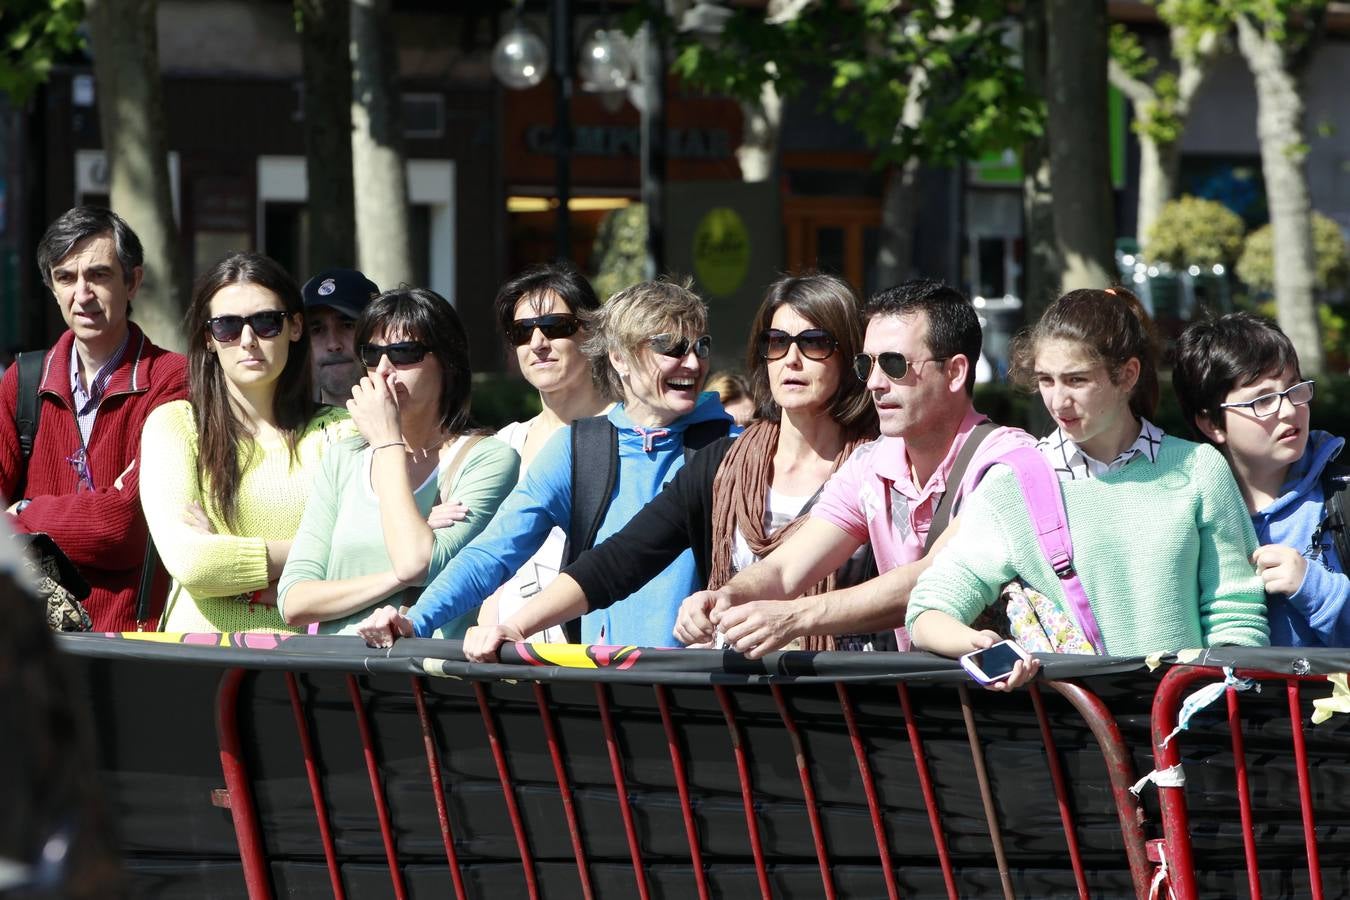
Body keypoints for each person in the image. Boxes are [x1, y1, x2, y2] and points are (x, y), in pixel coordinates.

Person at [462, 273, 881, 661]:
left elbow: (912, 584)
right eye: (776, 342)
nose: (791, 358)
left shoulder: (877, 464)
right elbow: (618, 561)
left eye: (814, 342)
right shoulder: (728, 461)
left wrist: (796, 616)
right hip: (734, 696)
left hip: (846, 697)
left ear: (849, 356)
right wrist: (513, 626)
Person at [906, 288, 1269, 683]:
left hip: (1183, 725)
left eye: (1076, 380)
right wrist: (985, 648)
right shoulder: (1014, 483)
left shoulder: (1199, 469)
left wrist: (1213, 702)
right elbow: (927, 611)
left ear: (1128, 375)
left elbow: (1237, 615)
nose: (1058, 401)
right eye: (1046, 380)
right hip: (1071, 733)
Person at [357, 278, 733, 649]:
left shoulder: (734, 447)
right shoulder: (581, 447)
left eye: (702, 346)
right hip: (607, 686)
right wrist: (416, 620)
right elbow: (494, 551)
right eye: (672, 348)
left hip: (706, 685)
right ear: (619, 357)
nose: (694, 362)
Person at [669, 279, 1033, 656]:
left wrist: (794, 616)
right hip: (928, 700)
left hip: (1012, 702)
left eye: (894, 365)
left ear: (956, 372)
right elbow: (786, 568)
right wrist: (725, 597)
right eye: (866, 364)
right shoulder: (872, 464)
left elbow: (928, 581)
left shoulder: (1006, 463)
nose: (874, 383)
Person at [276, 288, 519, 634]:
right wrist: (395, 573)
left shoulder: (488, 459)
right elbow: (294, 602)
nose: (385, 370)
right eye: (372, 354)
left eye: (405, 353)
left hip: (428, 676)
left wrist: (387, 441)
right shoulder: (344, 457)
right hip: (337, 672)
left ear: (447, 362)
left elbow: (417, 564)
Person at [0, 206, 188, 631]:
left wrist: (26, 512)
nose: (81, 294)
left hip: (135, 641)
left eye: (99, 275)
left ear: (133, 282)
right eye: (65, 277)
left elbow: (127, 529)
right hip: (34, 636)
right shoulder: (24, 381)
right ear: (51, 286)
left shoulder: (173, 381)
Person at [140, 252, 349, 633]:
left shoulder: (342, 431)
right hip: (198, 661)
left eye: (267, 322)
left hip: (313, 664)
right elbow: (194, 564)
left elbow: (374, 553)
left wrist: (229, 558)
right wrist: (316, 554)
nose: (248, 340)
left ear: (296, 327)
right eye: (227, 327)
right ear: (208, 338)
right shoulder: (174, 426)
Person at [1174, 312, 1349, 647]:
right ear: (1211, 423)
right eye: (1263, 400)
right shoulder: (1185, 513)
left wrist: (1315, 587)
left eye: (1294, 388)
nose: (1289, 410)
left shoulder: (1342, 488)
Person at [474, 263, 610, 644]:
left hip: (598, 653)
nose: (537, 343)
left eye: (554, 326)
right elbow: (485, 560)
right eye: (521, 332)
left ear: (592, 330)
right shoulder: (504, 446)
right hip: (507, 652)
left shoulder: (629, 435)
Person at [303, 268, 379, 406]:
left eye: (348, 325)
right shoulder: (285, 426)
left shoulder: (418, 423)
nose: (333, 344)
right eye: (316, 330)